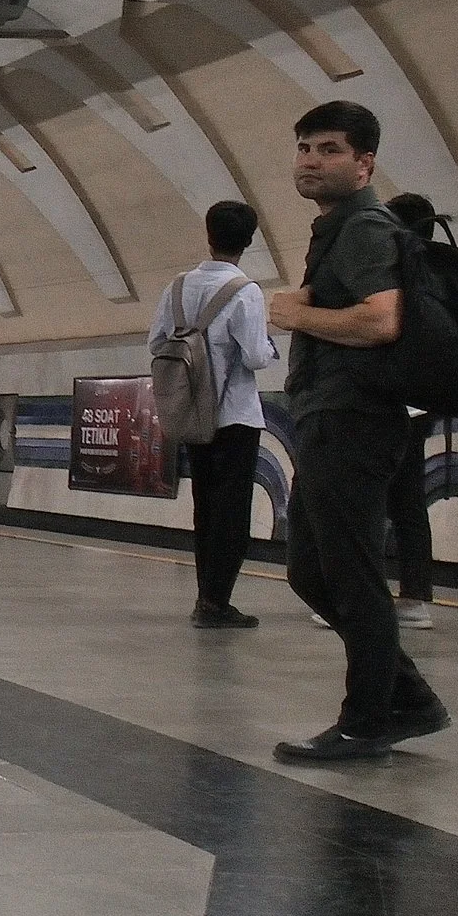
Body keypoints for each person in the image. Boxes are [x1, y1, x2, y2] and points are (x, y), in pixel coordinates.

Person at [269, 102, 449, 762]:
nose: (311, 162)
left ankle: (367, 718)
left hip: (355, 419)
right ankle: (410, 698)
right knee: (312, 571)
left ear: (364, 163)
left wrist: (297, 315)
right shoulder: (336, 227)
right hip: (329, 416)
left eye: (329, 150)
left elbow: (381, 320)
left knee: (350, 575)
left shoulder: (366, 227)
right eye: (304, 149)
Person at [150, 201, 279, 628]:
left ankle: (205, 595)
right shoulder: (245, 291)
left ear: (208, 235)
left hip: (191, 414)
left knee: (204, 507)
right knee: (232, 512)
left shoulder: (177, 288)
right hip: (235, 416)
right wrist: (270, 349)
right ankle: (216, 603)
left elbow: (157, 342)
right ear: (249, 241)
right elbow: (256, 356)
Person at [384, 193, 441, 631]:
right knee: (409, 504)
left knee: (364, 499)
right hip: (421, 404)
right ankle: (416, 597)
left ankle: (355, 595)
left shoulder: (391, 270)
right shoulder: (441, 273)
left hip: (384, 400)